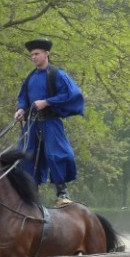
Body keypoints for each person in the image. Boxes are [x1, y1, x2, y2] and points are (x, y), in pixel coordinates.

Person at [13, 38, 85, 205]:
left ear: (46, 54)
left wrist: (47, 102)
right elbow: (23, 97)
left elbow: (70, 94)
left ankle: (62, 193)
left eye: (36, 54)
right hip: (32, 124)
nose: (33, 57)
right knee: (27, 156)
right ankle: (30, 194)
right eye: (31, 55)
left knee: (57, 154)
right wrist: (21, 109)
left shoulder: (57, 74)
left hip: (51, 122)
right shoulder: (30, 77)